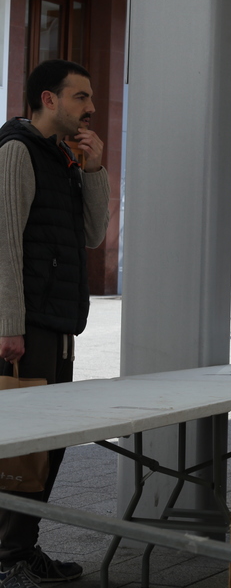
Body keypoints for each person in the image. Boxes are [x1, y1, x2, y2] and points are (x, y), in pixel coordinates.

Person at [0, 60, 110, 582]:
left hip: (57, 323)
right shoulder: (17, 151)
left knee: (46, 446)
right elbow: (4, 245)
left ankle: (20, 550)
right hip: (28, 328)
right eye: (80, 97)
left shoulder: (62, 157)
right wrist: (9, 325)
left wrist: (95, 170)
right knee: (23, 447)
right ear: (49, 99)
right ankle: (9, 558)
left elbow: (92, 235)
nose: (91, 107)